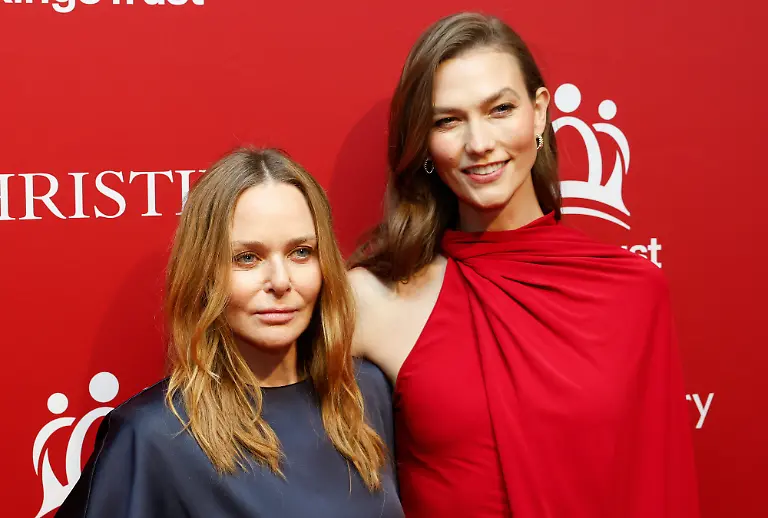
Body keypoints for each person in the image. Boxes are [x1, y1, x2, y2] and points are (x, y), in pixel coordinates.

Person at [349, 12, 699, 518]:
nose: (479, 144)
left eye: (500, 109)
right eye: (447, 120)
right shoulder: (377, 297)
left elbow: (655, 487)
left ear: (538, 114)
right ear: (424, 141)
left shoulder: (634, 292)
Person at [56, 148, 403, 518]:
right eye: (247, 258)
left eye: (301, 252)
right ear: (204, 274)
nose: (281, 281)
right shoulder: (152, 436)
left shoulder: (365, 393)